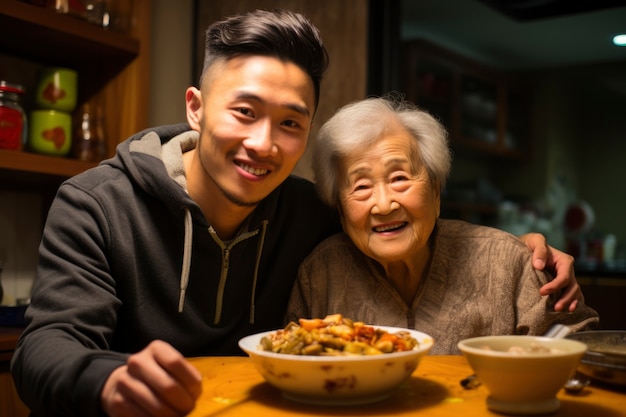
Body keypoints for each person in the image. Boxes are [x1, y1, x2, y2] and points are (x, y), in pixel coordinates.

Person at [11, 9, 581, 417]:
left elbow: (394, 217)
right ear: (195, 108)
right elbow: (44, 348)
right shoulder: (96, 203)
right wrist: (106, 379)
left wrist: (522, 246)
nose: (264, 143)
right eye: (244, 111)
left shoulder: (309, 213)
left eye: (290, 122)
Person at [287, 96, 599, 355]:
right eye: (361, 187)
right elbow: (288, 359)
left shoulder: (507, 261)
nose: (383, 205)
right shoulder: (321, 274)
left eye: (399, 178)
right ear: (340, 208)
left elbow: (581, 349)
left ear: (436, 191)